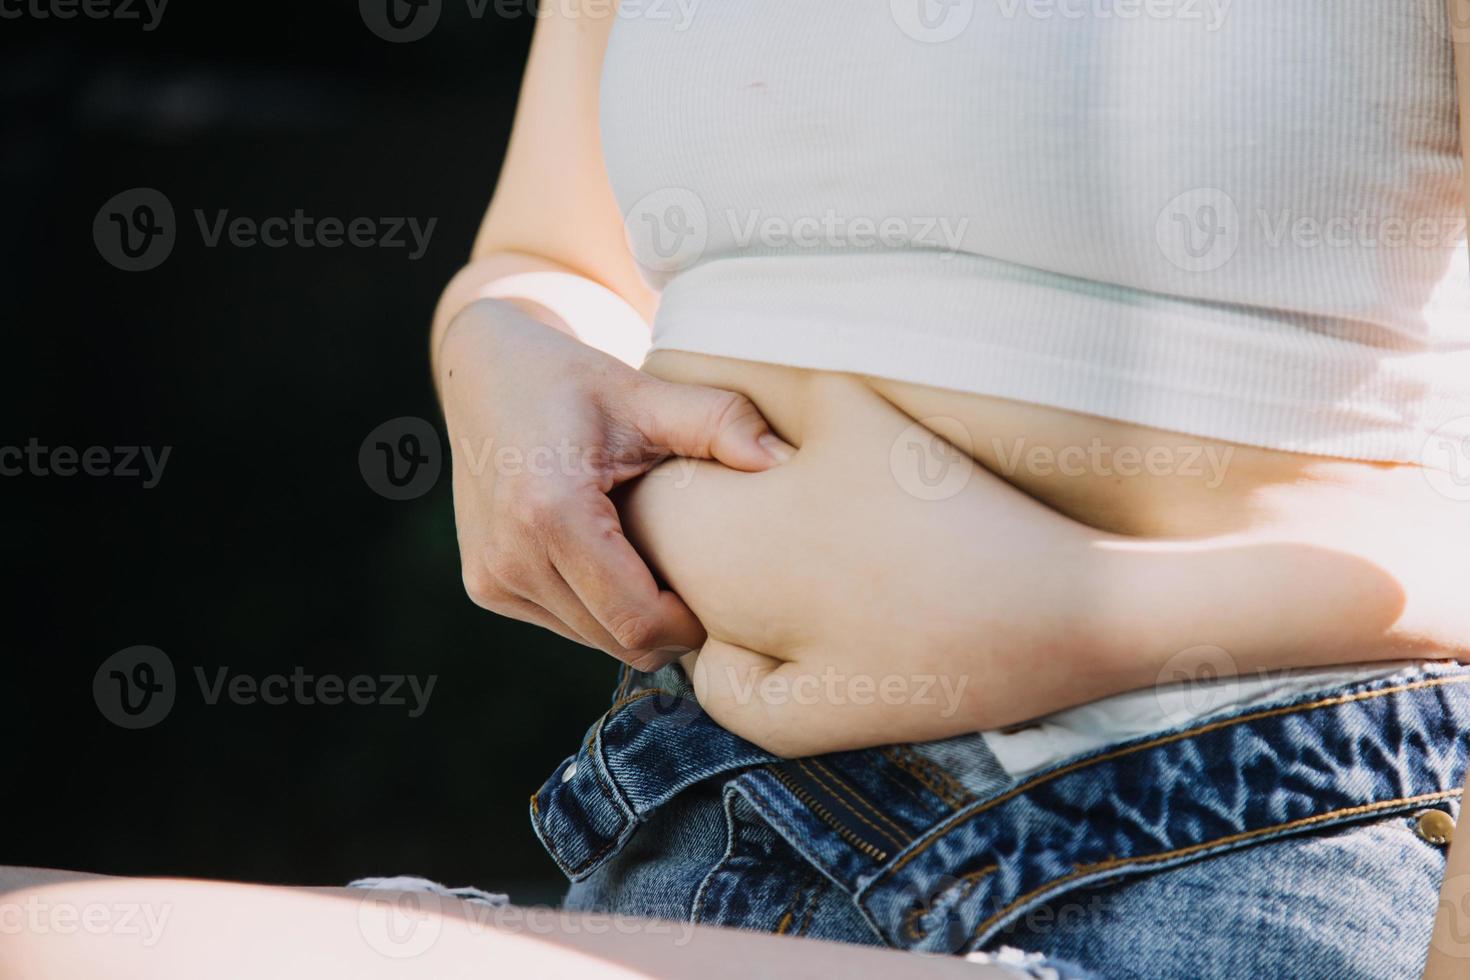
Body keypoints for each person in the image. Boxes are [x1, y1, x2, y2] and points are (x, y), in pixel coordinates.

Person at [7, 3, 1468, 978]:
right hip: (699, 803)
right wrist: (499, 353)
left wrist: (1120, 617)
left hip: (1242, 829)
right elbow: (554, 258)